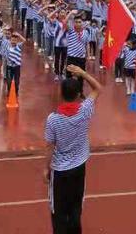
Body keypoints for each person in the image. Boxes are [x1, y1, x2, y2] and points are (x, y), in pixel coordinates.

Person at [44, 65, 102, 234]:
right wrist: (83, 73)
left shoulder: (53, 119)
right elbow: (98, 88)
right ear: (78, 95)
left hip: (60, 170)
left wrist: (45, 168)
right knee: (76, 207)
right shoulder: (85, 111)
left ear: (61, 94)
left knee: (58, 211)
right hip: (78, 168)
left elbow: (49, 146)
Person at [5, 32, 26, 96]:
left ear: (17, 41)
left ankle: (16, 92)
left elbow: (24, 40)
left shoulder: (18, 46)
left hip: (17, 67)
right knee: (9, 80)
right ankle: (9, 91)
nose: (13, 42)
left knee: (17, 81)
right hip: (9, 66)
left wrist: (19, 35)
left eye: (15, 40)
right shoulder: (7, 46)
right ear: (10, 40)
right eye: (12, 40)